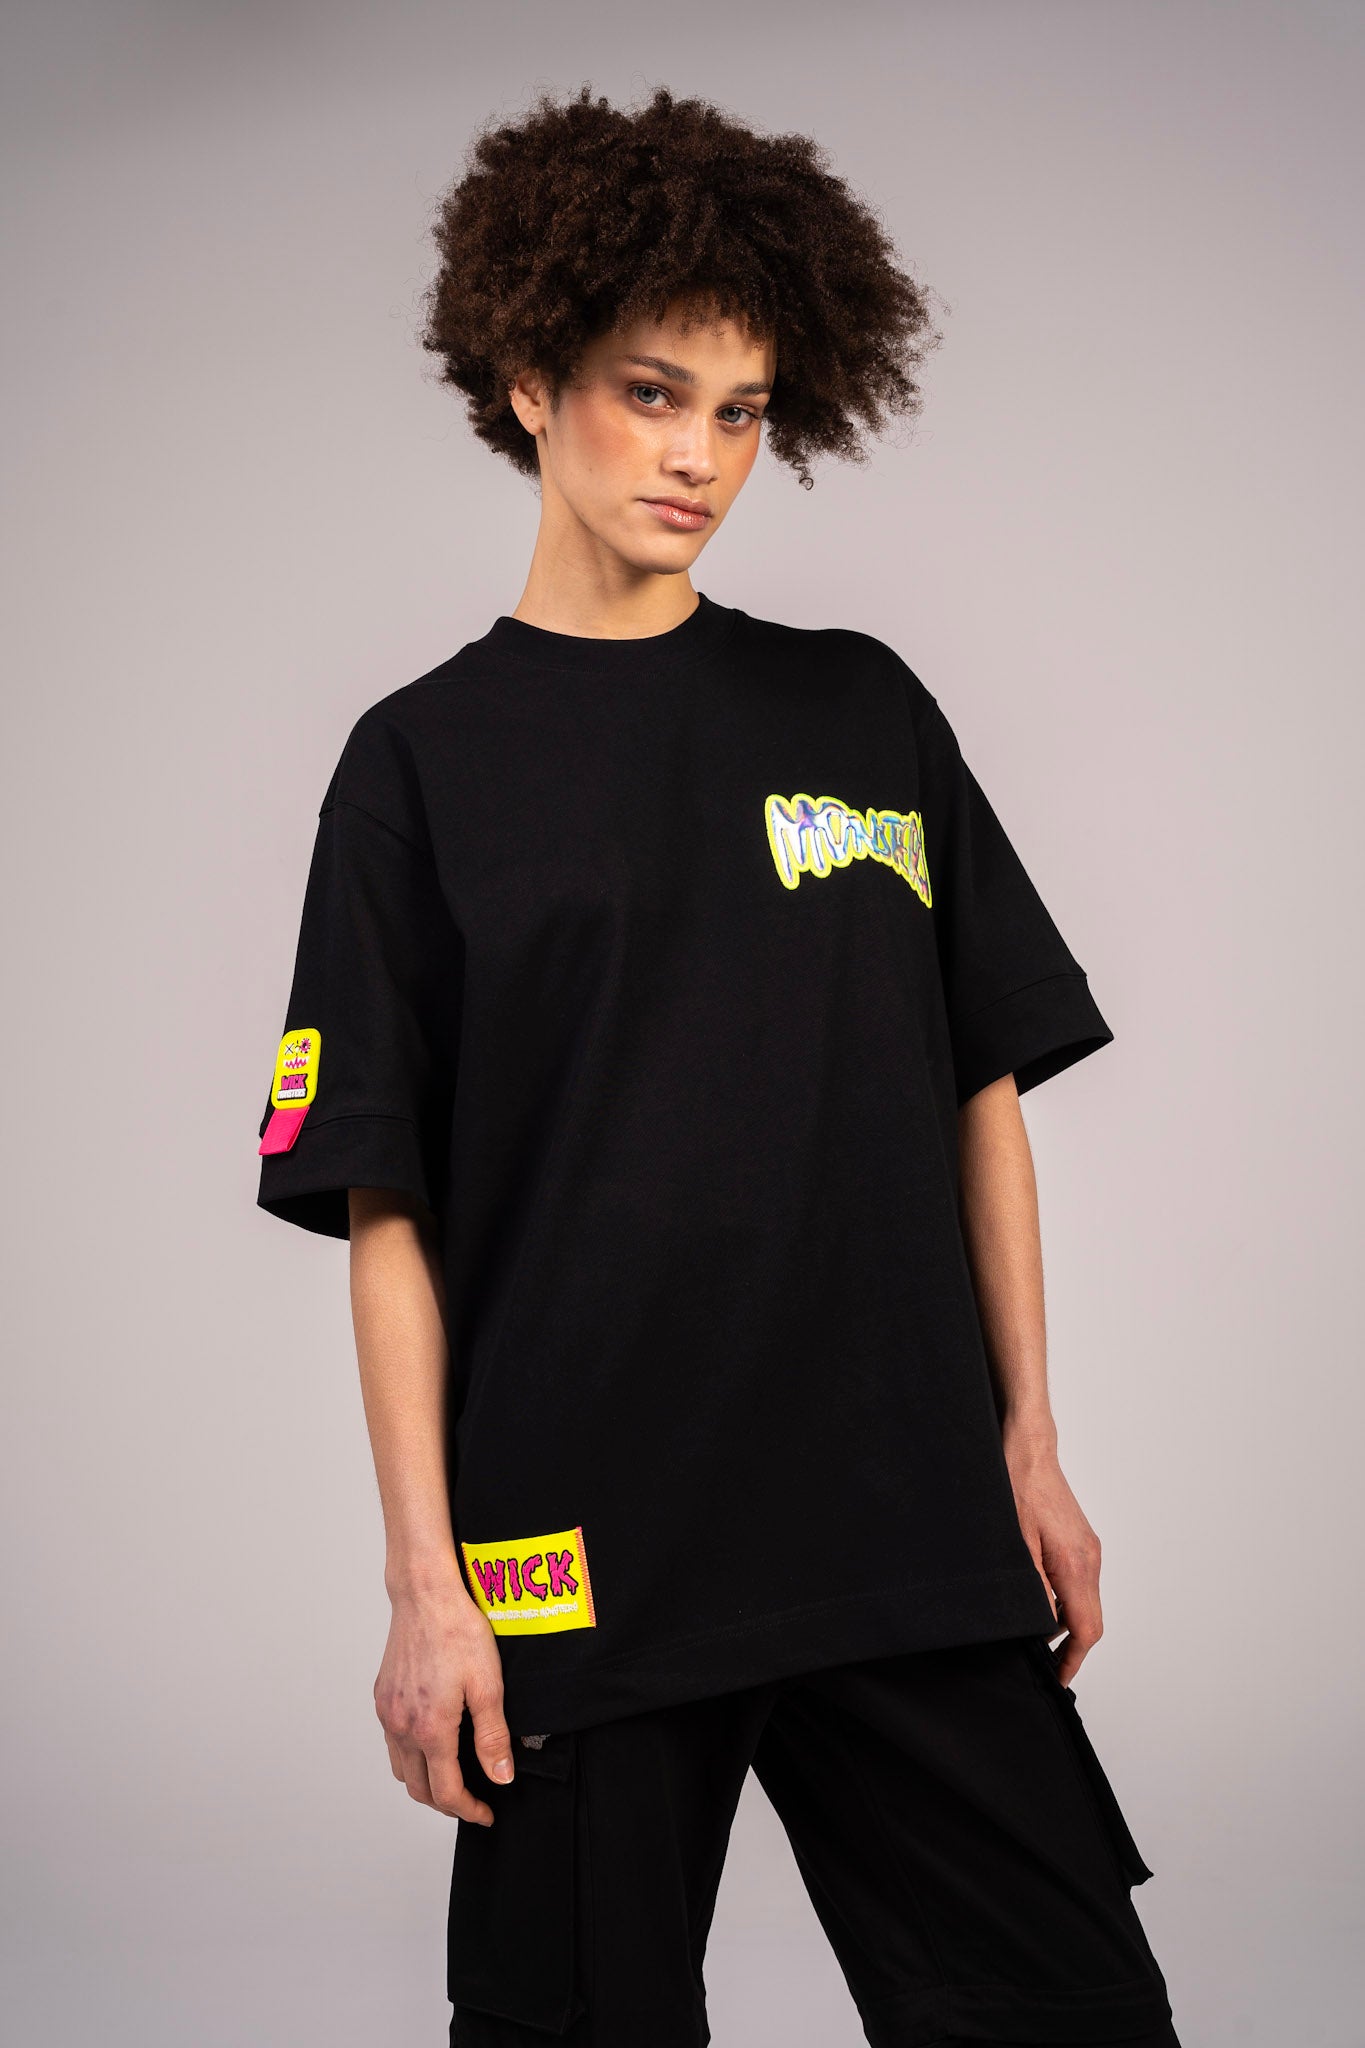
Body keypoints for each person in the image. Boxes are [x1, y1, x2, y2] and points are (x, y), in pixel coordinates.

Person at [255, 83, 1181, 2048]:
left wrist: (1027, 1443)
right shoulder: (418, 766)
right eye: (651, 393)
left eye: (743, 412)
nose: (698, 456)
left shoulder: (859, 710)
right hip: (574, 1555)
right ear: (529, 379)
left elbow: (976, 1093)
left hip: (898, 1520)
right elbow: (382, 1201)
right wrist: (425, 1585)